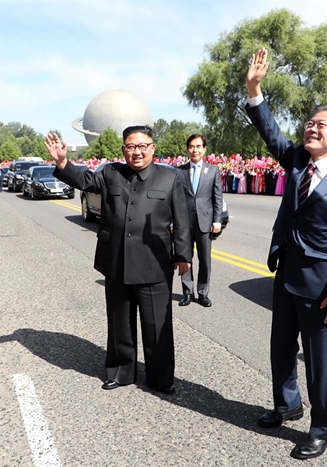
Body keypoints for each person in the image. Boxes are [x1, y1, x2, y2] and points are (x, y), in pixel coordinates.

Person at [245, 48, 327, 460]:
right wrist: (255, 90)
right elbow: (272, 133)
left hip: (324, 292)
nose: (311, 129)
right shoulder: (297, 162)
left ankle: (322, 428)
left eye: (321, 125)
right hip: (286, 277)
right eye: (309, 123)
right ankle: (287, 405)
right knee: (280, 349)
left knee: (323, 364)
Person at [44, 126, 192, 394]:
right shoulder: (111, 173)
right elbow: (86, 181)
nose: (136, 152)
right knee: (119, 322)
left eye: (142, 146)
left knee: (157, 325)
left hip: (154, 265)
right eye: (130, 147)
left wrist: (183, 255)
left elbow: (182, 220)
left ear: (152, 148)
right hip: (116, 262)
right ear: (123, 149)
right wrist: (62, 162)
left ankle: (160, 378)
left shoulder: (170, 178)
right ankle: (121, 372)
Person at [177, 134, 223, 307]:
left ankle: (203, 293)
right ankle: (187, 293)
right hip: (185, 222)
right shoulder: (179, 171)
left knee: (205, 260)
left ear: (204, 149)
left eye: (198, 146)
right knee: (185, 257)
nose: (194, 150)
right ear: (187, 149)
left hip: (205, 222)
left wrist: (217, 220)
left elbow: (217, 197)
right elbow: (176, 198)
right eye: (191, 146)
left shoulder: (213, 171)